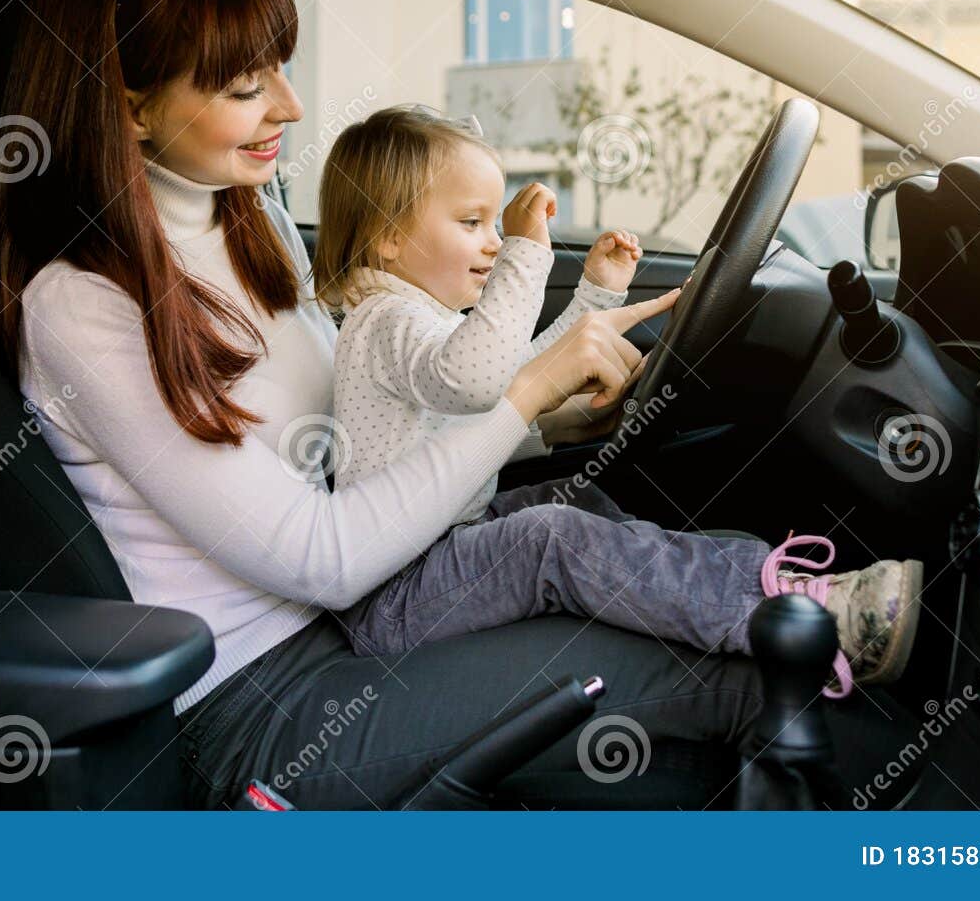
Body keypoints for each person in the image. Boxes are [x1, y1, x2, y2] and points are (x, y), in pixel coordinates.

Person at [0, 0, 906, 810]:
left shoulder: (247, 222)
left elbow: (366, 442)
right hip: (261, 705)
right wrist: (525, 389)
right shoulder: (85, 304)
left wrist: (542, 418)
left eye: (280, 67)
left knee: (673, 585)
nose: (290, 104)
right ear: (131, 104)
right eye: (243, 87)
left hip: (361, 612)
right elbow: (324, 554)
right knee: (737, 667)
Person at [311, 106, 923, 694]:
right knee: (552, 538)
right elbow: (481, 380)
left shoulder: (415, 317)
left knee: (574, 501)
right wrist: (527, 254)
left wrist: (594, 299)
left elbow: (514, 376)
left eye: (497, 226)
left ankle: (731, 584)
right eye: (472, 224)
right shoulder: (387, 321)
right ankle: (795, 620)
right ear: (388, 238)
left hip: (434, 545)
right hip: (393, 594)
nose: (494, 241)